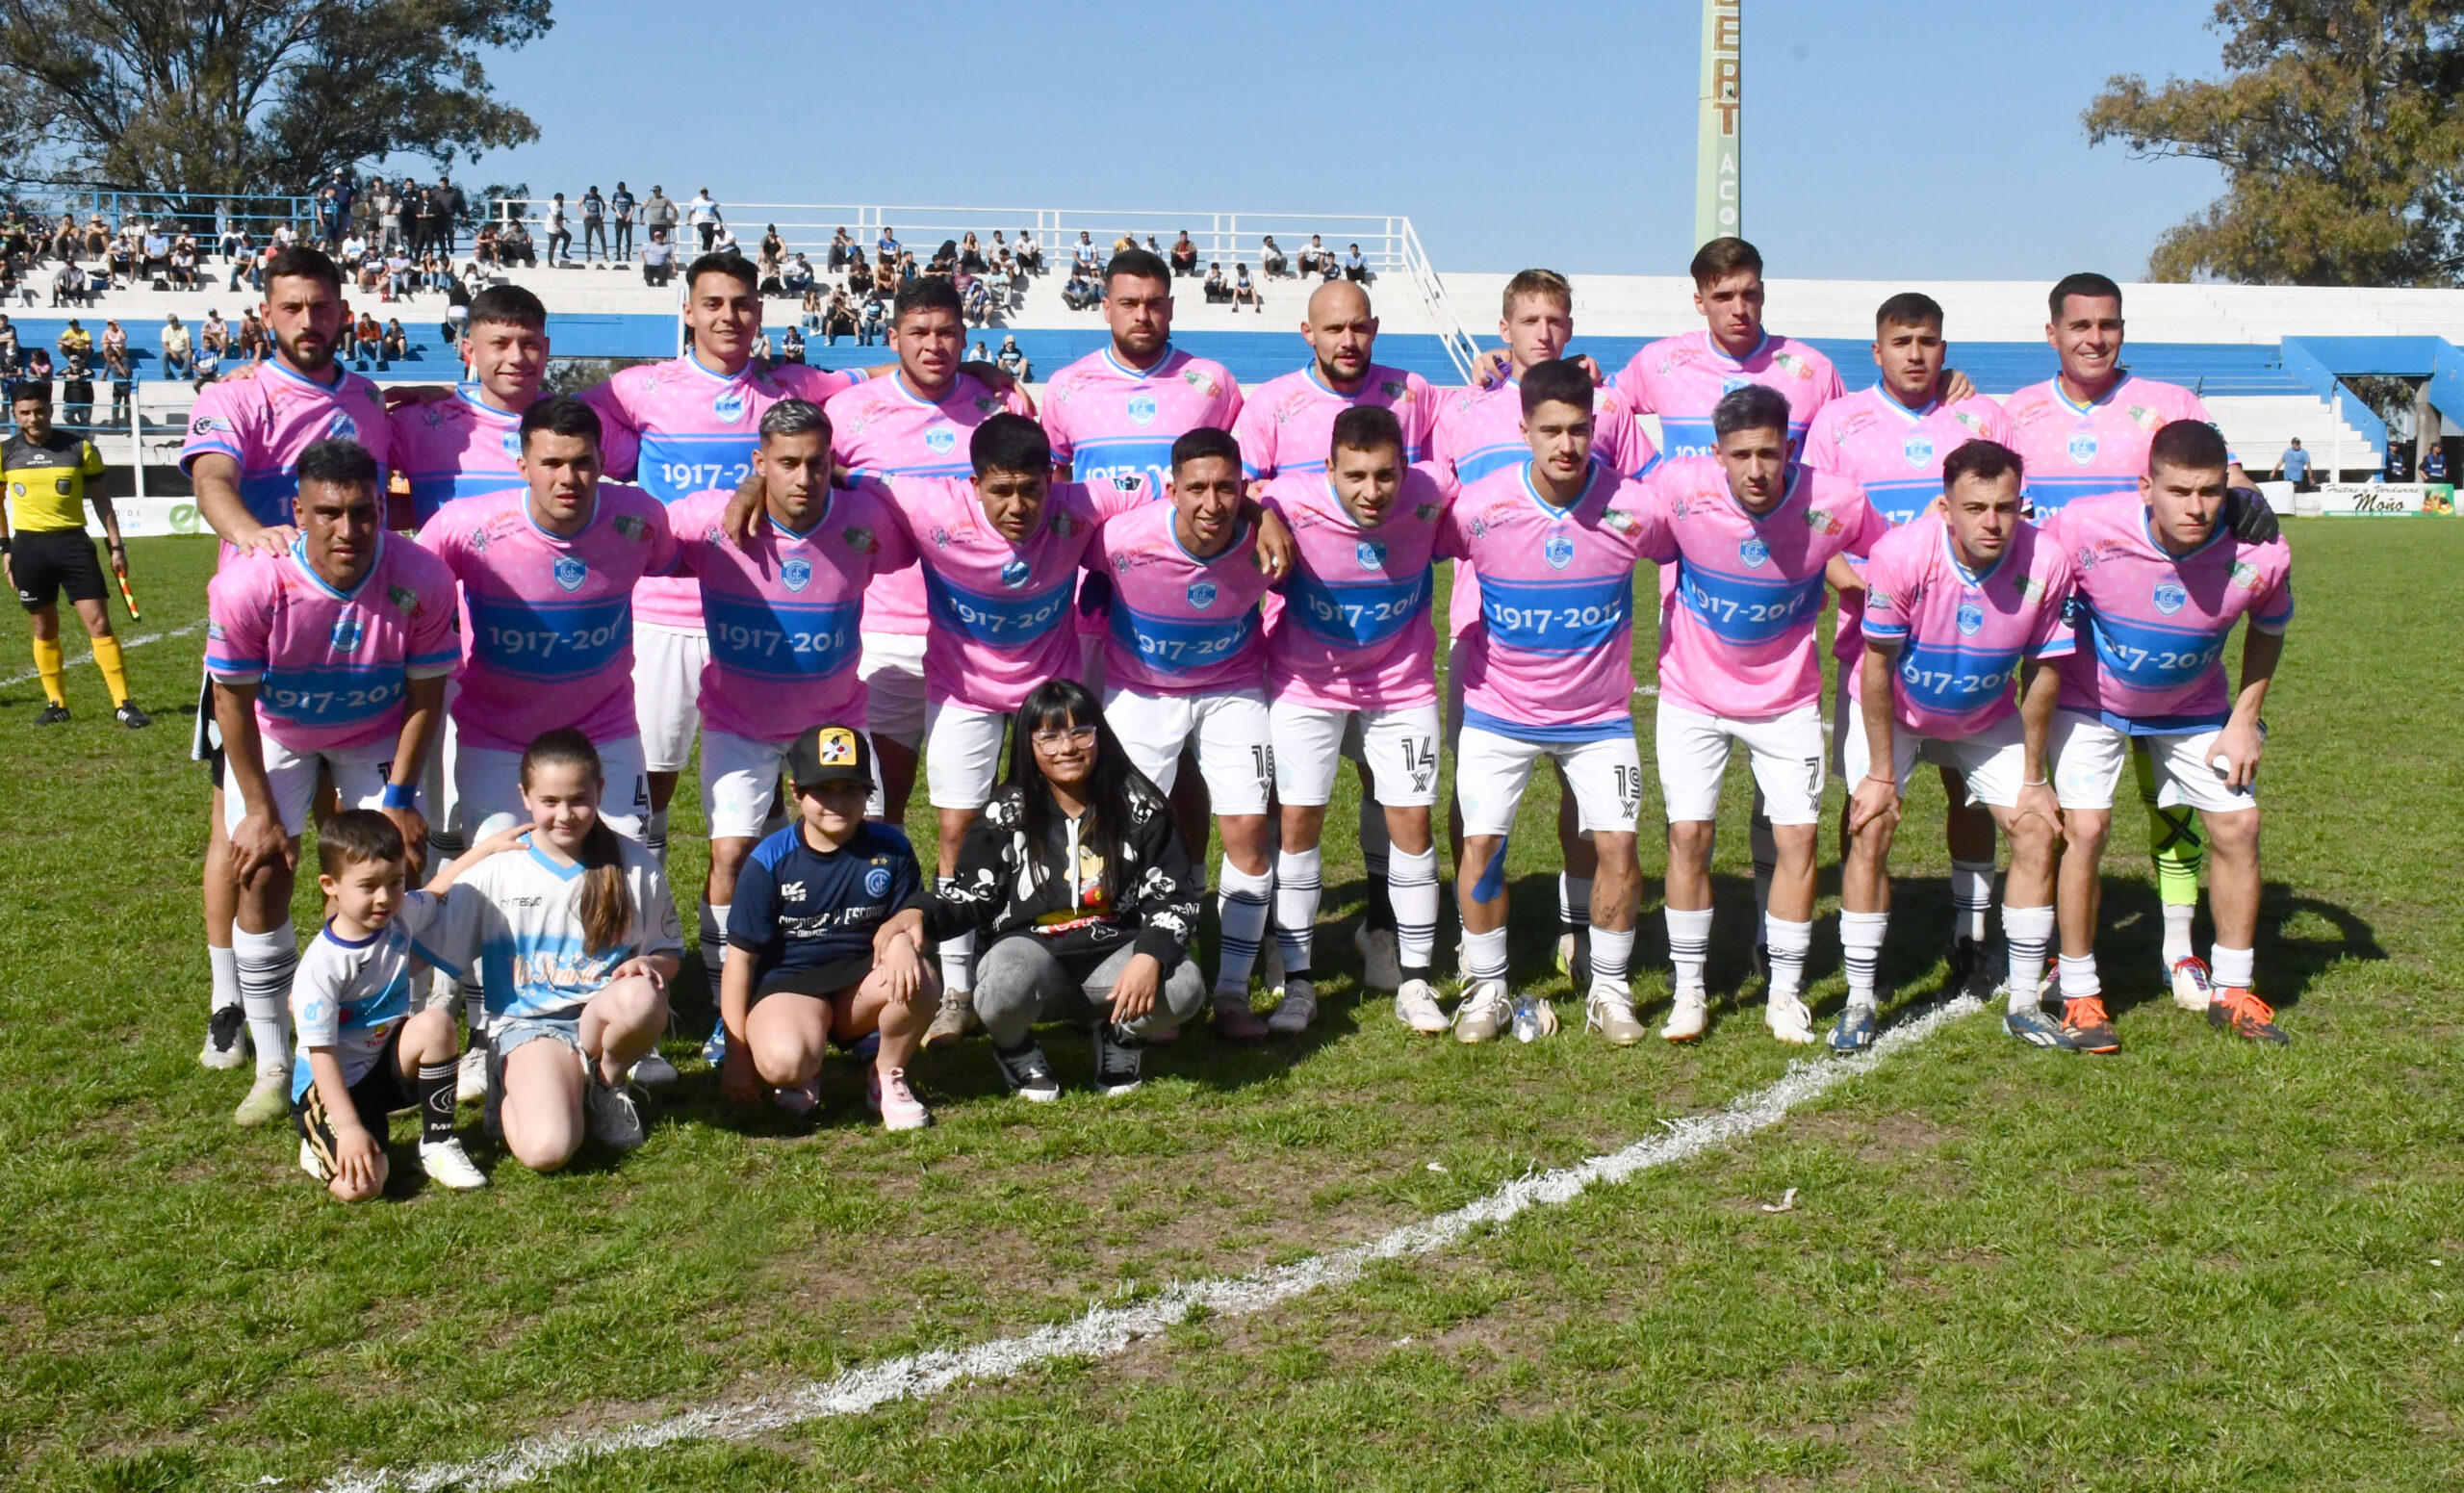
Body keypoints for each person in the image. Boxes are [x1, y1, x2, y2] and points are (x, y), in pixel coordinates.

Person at [2001, 272, 2272, 1010]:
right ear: (2052, 332)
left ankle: (2179, 949)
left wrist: (2251, 499)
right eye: (2080, 325)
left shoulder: (2169, 403)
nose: (2096, 338)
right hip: (2065, 644)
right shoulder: (2016, 413)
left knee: (2174, 804)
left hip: (2167, 634)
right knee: (2071, 814)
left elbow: (2228, 477)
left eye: (2109, 325)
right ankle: (2058, 951)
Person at [581, 253, 879, 865]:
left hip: (763, 607)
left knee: (763, 770)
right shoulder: (640, 387)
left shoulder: (792, 387)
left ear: (759, 312)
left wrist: (980, 372)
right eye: (713, 303)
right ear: (688, 311)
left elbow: (881, 377)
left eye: (742, 304)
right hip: (668, 612)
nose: (728, 316)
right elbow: (546, 418)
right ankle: (650, 893)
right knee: (656, 771)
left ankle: (761, 900)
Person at [182, 245, 394, 1072]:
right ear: (266, 314)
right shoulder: (237, 393)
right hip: (259, 640)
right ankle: (229, 1000)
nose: (309, 320)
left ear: (345, 312)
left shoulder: (368, 399)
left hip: (357, 638)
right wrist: (254, 537)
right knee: (246, 829)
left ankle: (347, 987)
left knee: (356, 833)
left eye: (322, 306)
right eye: (292, 306)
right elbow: (212, 480)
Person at [207, 439, 457, 1126]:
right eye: (328, 513)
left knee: (397, 865)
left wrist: (400, 799)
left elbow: (427, 694)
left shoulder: (421, 576)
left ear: (381, 509)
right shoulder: (250, 583)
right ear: (298, 511)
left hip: (374, 731)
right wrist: (258, 810)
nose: (348, 529)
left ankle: (391, 1039)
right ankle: (272, 1062)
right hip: (279, 732)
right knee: (260, 867)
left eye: (363, 512)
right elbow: (231, 701)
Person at [1433, 269, 1662, 989]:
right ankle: (1471, 933)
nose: (1544, 332)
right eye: (1530, 320)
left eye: (1556, 320)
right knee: (1474, 797)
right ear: (1504, 329)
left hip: (1585, 642)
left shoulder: (1607, 408)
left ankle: (1577, 927)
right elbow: (1432, 501)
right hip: (1484, 626)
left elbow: (1649, 494)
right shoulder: (1465, 405)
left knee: (1584, 795)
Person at [1640, 384, 1885, 1043]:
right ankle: (1688, 992)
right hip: (1691, 695)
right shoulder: (1679, 486)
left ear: (1790, 450)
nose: (1756, 469)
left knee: (1798, 840)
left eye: (1769, 454)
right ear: (1716, 452)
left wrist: (1864, 585)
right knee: (1688, 836)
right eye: (1741, 454)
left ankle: (1784, 994)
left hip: (1786, 701)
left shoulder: (1836, 499)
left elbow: (1892, 550)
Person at [668, 399, 913, 1048]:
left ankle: (858, 995)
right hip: (738, 718)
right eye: (786, 464)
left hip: (833, 717)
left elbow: (910, 527)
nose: (803, 477)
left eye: (817, 463)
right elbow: (640, 541)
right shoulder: (708, 521)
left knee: (864, 847)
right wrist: (744, 492)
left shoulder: (864, 521)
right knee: (730, 854)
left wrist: (846, 479)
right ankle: (726, 1014)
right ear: (759, 463)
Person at [2045, 420, 2293, 1051]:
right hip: (2089, 702)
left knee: (2239, 826)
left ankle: (2232, 990)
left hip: (2196, 707)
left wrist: (2245, 720)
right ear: (2145, 487)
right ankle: (2079, 993)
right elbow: (2026, 574)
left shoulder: (2260, 552)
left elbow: (2270, 627)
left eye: (2210, 492)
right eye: (2179, 491)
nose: (2196, 508)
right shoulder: (2085, 527)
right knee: (2085, 830)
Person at [1802, 292, 2016, 997]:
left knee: (1972, 795)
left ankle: (1970, 934)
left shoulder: (1981, 417)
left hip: (1970, 646)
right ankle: (1860, 948)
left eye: (1927, 341)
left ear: (1944, 349)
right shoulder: (1839, 422)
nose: (1915, 354)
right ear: (1877, 350)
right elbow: (1817, 530)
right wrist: (1862, 586)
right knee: (1868, 802)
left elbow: (2013, 519)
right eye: (1901, 341)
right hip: (1876, 652)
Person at [1838, 439, 2075, 1052]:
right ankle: (1860, 999)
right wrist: (1881, 774)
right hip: (1898, 711)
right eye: (1975, 508)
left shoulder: (2048, 560)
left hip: (1985, 715)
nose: (1992, 522)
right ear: (1945, 509)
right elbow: (1876, 664)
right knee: (1870, 824)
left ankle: (2025, 1003)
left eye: (2006, 507)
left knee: (2036, 828)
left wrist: (2035, 777)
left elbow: (2044, 671)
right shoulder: (1898, 554)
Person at [1089, 427, 1284, 1040]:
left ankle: (1232, 992)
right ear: (1171, 490)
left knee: (1248, 833)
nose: (1211, 503)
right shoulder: (1121, 538)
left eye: (1226, 489)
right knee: (1122, 837)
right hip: (1141, 691)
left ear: (1243, 490)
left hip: (1232, 689)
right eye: (1196, 488)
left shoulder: (1264, 541)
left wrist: (1266, 514)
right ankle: (1131, 976)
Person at [821, 276, 1035, 835]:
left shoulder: (1001, 406)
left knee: (979, 803)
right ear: (894, 337)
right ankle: (882, 884)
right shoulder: (846, 410)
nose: (933, 345)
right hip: (886, 628)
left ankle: (975, 888)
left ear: (964, 337)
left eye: (946, 333)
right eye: (918, 332)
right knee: (876, 800)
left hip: (982, 633)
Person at [926, 679, 1208, 1099]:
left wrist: (1149, 955)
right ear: (1029, 745)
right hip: (1032, 957)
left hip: (1116, 957)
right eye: (1049, 737)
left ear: (1100, 735)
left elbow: (1173, 895)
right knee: (1003, 984)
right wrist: (915, 916)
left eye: (1081, 732)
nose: (1067, 748)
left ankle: (1120, 1037)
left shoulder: (1140, 807)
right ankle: (1015, 1048)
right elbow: (971, 893)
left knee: (1183, 986)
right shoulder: (1007, 811)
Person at [1259, 406, 1448, 1034]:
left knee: (1412, 824)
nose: (1372, 491)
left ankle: (1415, 981)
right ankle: (1299, 981)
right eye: (1356, 476)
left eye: (1386, 475)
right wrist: (1260, 514)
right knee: (1298, 824)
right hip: (1306, 685)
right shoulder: (1289, 501)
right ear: (1329, 469)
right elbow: (1243, 496)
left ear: (1406, 469)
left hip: (1400, 686)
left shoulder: (1431, 493)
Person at [453, 730, 684, 1170]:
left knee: (643, 994)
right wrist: (476, 854)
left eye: (578, 799)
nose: (565, 815)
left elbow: (670, 953)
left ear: (600, 790)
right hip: (529, 1025)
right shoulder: (499, 867)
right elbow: (421, 919)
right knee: (549, 1151)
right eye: (550, 801)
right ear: (525, 796)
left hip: (599, 1019)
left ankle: (607, 1085)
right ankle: (520, 1088)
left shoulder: (633, 864)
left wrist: (649, 962)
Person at [718, 723, 936, 1127]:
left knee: (920, 977)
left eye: (850, 789)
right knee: (784, 1063)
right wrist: (737, 1057)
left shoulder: (892, 848)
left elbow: (909, 916)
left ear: (869, 792)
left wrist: (904, 941)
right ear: (796, 791)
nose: (837, 803)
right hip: (791, 984)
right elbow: (739, 962)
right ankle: (806, 1060)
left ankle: (886, 1075)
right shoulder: (769, 860)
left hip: (861, 984)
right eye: (823, 790)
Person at [287, 811, 512, 1199]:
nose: (385, 897)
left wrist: (488, 848)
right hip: (330, 1087)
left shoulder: (400, 915)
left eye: (395, 882)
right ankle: (321, 1144)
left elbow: (438, 889)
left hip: (381, 1068)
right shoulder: (320, 968)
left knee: (437, 1024)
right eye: (368, 886)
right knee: (364, 1188)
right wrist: (350, 1127)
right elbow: (321, 1056)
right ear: (330, 885)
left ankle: (437, 1144)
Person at [2, 381, 148, 728]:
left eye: (39, 410)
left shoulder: (79, 447)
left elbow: (102, 500)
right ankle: (57, 703)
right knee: (43, 626)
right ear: (15, 415)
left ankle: (123, 703)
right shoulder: (6, 452)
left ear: (50, 410)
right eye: (25, 413)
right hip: (29, 548)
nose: (33, 418)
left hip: (73, 546)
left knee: (99, 623)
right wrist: (5, 548)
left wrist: (116, 546)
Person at [687, 188, 722, 253]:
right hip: (701, 221)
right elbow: (691, 211)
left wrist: (721, 220)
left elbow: (715, 212)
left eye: (705, 192)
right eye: (702, 192)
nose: (704, 194)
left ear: (707, 193)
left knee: (713, 234)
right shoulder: (696, 200)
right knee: (705, 232)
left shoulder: (712, 201)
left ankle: (708, 250)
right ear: (701, 193)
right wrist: (688, 220)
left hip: (711, 221)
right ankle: (705, 248)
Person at [609, 182, 636, 261]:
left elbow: (633, 207)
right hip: (619, 219)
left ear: (624, 188)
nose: (621, 191)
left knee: (628, 237)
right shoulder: (616, 195)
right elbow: (612, 205)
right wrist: (617, 213)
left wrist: (630, 216)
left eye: (622, 190)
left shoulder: (629, 195)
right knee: (618, 237)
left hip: (628, 218)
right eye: (619, 190)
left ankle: (628, 256)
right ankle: (618, 256)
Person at [161, 313, 192, 379]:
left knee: (188, 355)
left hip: (183, 350)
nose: (175, 322)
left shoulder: (184, 327)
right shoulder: (165, 330)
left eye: (176, 320)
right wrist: (173, 353)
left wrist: (189, 350)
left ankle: (185, 373)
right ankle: (167, 373)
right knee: (164, 355)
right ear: (169, 322)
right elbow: (165, 345)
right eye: (173, 321)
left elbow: (187, 339)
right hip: (172, 350)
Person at [579, 186, 605, 263]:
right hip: (588, 219)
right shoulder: (585, 197)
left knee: (602, 237)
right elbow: (577, 205)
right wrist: (583, 213)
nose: (593, 195)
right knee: (588, 237)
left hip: (597, 219)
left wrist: (603, 213)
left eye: (594, 194)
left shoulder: (599, 197)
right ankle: (589, 255)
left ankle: (605, 254)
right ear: (590, 192)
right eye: (592, 194)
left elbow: (604, 205)